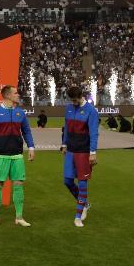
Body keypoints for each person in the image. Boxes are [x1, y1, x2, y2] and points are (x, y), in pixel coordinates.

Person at [0, 85, 35, 227]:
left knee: (18, 184)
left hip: (17, 155)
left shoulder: (20, 113)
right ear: (7, 96)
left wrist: (31, 147)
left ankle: (19, 217)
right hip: (0, 155)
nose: (18, 95)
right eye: (15, 93)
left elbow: (26, 131)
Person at [61, 85, 98, 228]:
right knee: (67, 181)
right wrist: (64, 144)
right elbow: (66, 127)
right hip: (70, 150)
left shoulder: (91, 111)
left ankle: (78, 216)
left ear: (82, 96)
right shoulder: (69, 108)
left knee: (82, 183)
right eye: (72, 101)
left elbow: (94, 133)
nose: (74, 103)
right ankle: (85, 204)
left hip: (84, 151)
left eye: (75, 100)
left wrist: (93, 153)